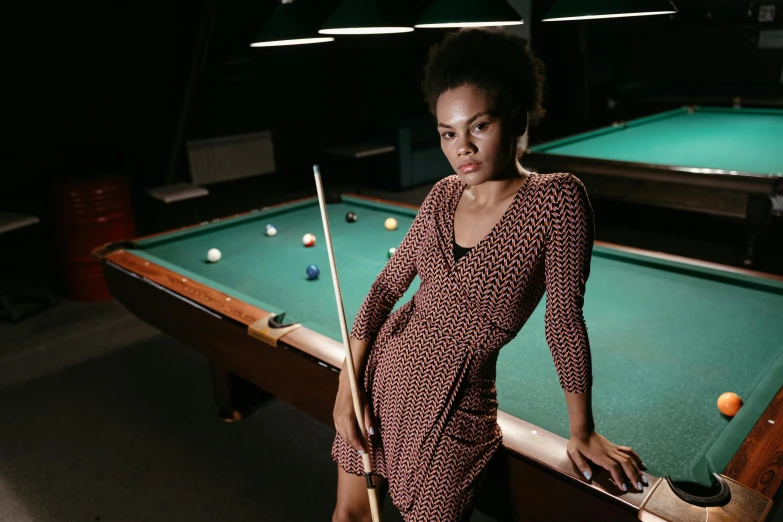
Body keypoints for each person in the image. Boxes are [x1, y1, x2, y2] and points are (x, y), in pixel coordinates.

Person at [331, 28, 645, 522]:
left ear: (517, 117)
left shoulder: (557, 200)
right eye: (448, 133)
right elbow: (386, 288)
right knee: (350, 514)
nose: (463, 148)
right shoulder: (440, 195)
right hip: (380, 376)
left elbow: (563, 320)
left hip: (458, 402)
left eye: (479, 126)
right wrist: (346, 386)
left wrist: (581, 430)